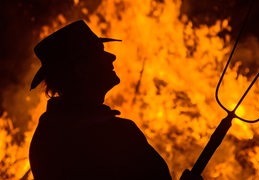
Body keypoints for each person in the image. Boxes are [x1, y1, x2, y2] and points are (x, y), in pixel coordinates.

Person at [29, 20, 172, 180]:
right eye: (99, 52)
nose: (112, 57)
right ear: (81, 70)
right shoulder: (119, 136)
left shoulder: (45, 138)